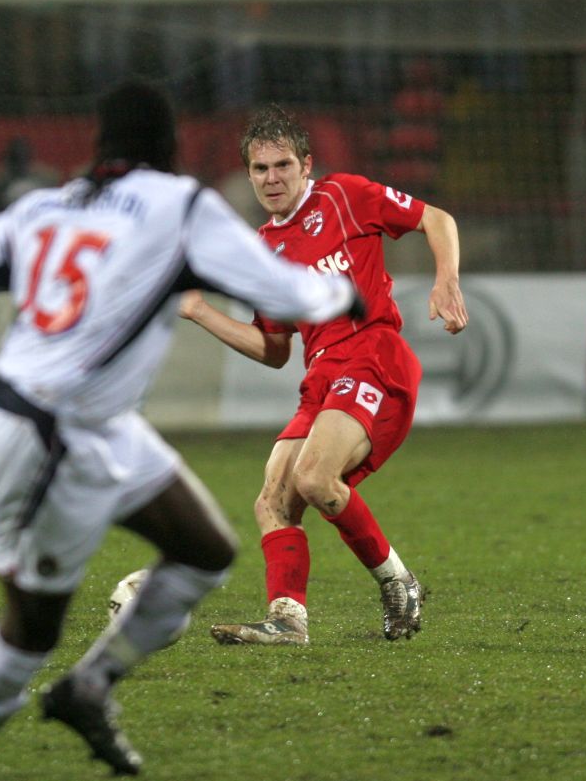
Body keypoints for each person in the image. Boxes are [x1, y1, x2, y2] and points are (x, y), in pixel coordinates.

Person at [0, 81, 361, 781]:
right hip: (47, 441)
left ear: (99, 144)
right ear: (168, 148)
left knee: (204, 550)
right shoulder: (180, 204)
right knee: (33, 627)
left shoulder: (45, 207)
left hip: (68, 422)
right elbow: (285, 290)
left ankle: (88, 686)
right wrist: (340, 293)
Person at [178, 104, 468, 646]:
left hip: (373, 355)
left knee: (312, 478)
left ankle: (398, 582)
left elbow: (437, 219)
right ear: (248, 175)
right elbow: (273, 348)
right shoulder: (265, 250)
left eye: (283, 165)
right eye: (260, 169)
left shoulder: (345, 196)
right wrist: (200, 312)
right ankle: (288, 619)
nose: (272, 179)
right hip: (320, 377)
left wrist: (445, 279)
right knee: (272, 500)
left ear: (306, 164)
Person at [0, 136, 57, 227]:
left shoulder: (43, 181)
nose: (19, 165)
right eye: (16, 160)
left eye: (22, 159)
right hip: (5, 232)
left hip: (37, 230)